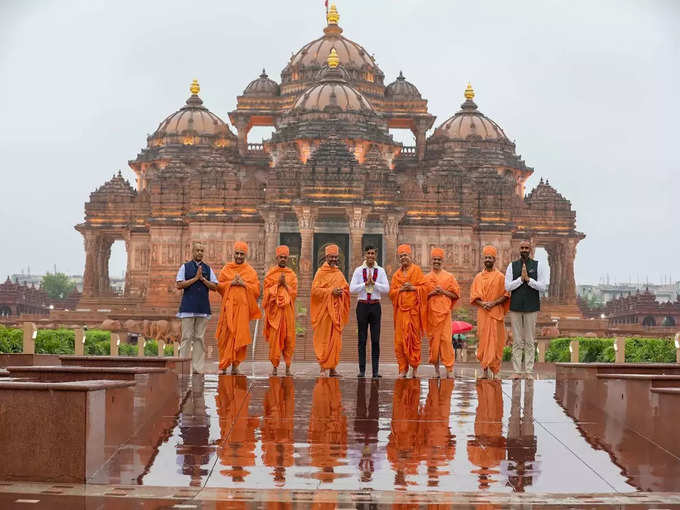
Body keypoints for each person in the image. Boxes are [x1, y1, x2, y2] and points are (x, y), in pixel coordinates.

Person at [505, 240, 548, 379]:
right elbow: (507, 287)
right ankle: (517, 371)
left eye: (526, 248)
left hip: (532, 306)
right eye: (522, 248)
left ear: (530, 250)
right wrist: (520, 280)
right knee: (517, 341)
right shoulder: (512, 266)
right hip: (516, 307)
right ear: (519, 250)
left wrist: (529, 280)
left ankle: (529, 371)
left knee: (529, 340)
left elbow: (542, 287)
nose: (524, 250)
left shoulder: (538, 266)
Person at [216, 241, 261, 375]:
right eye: (237, 253)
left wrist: (243, 284)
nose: (239, 256)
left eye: (242, 254)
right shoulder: (226, 269)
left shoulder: (250, 272)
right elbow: (219, 286)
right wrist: (231, 283)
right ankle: (223, 364)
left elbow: (256, 290)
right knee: (225, 336)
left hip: (242, 310)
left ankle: (236, 365)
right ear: (233, 254)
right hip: (228, 309)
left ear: (245, 255)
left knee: (239, 337)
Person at [175, 242, 218, 374]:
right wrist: (195, 278)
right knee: (186, 337)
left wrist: (203, 280)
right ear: (192, 252)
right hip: (188, 307)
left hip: (202, 307)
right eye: (197, 250)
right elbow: (179, 285)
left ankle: (197, 368)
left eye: (201, 251)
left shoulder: (207, 269)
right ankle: (182, 367)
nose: (200, 253)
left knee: (199, 338)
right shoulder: (185, 267)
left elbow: (215, 286)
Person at [349, 245, 390, 378]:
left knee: (375, 339)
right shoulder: (358, 271)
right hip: (362, 305)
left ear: (375, 255)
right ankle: (362, 370)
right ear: (364, 255)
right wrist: (365, 284)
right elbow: (352, 289)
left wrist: (374, 284)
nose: (371, 256)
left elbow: (386, 289)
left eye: (373, 253)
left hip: (375, 306)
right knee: (362, 339)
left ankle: (375, 371)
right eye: (368, 253)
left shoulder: (381, 271)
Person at [470, 245, 510, 380]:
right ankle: (485, 371)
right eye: (486, 257)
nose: (488, 260)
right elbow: (474, 297)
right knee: (483, 343)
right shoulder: (478, 277)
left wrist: (493, 303)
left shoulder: (500, 277)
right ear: (483, 259)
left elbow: (506, 295)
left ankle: (496, 372)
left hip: (496, 312)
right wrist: (483, 304)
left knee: (497, 343)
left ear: (494, 259)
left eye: (490, 258)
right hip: (483, 313)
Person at [310, 244, 350, 377]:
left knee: (335, 341)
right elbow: (314, 291)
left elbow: (346, 289)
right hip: (324, 313)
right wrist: (330, 291)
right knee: (323, 340)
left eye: (335, 257)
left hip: (336, 313)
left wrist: (341, 292)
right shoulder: (320, 273)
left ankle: (332, 369)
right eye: (331, 257)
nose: (333, 259)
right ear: (326, 257)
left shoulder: (339, 273)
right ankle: (323, 368)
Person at [389, 244, 428, 378]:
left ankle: (414, 367)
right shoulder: (396, 275)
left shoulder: (416, 271)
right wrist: (401, 289)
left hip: (413, 312)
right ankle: (402, 369)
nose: (403, 258)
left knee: (414, 340)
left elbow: (425, 288)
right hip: (400, 313)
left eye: (405, 255)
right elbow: (391, 293)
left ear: (410, 256)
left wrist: (412, 288)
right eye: (401, 256)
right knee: (399, 342)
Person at [425, 247, 460, 378]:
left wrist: (443, 292)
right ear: (431, 261)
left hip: (445, 314)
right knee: (434, 342)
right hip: (432, 315)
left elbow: (455, 294)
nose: (436, 262)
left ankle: (449, 369)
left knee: (446, 341)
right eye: (435, 259)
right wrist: (432, 293)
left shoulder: (449, 277)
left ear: (442, 261)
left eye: (439, 260)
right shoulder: (426, 278)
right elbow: (422, 296)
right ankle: (436, 369)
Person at [262, 245, 298, 376]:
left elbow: (294, 293)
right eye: (281, 257)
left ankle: (288, 367)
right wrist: (278, 285)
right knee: (274, 341)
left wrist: (285, 285)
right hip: (275, 313)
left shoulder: (292, 275)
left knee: (289, 339)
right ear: (276, 258)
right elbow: (266, 293)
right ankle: (275, 367)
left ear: (287, 259)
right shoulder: (271, 274)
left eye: (285, 257)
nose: (283, 259)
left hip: (287, 313)